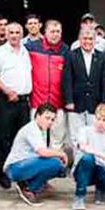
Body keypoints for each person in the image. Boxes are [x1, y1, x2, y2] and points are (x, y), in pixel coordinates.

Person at [0, 22, 32, 189]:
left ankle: (20, 173)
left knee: (21, 139)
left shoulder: (25, 51)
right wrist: (7, 91)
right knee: (2, 139)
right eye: (11, 32)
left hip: (22, 102)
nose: (14, 35)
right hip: (4, 101)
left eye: (17, 32)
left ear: (22, 34)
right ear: (5, 34)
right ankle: (2, 174)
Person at [5, 103, 69, 206]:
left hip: (24, 165)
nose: (49, 122)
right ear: (37, 115)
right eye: (47, 118)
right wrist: (61, 154)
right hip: (15, 168)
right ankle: (30, 190)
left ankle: (31, 183)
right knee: (56, 163)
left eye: (52, 120)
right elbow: (42, 152)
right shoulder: (32, 129)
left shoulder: (40, 129)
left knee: (59, 166)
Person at [63, 27, 105, 150]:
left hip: (95, 103)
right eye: (84, 38)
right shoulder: (71, 55)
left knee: (94, 135)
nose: (88, 41)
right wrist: (69, 101)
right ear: (79, 39)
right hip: (76, 102)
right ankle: (78, 164)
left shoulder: (101, 56)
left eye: (91, 39)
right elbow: (67, 79)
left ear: (95, 40)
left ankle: (94, 163)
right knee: (76, 136)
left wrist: (104, 103)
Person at [26, 20, 70, 150]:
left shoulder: (66, 50)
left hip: (59, 102)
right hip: (37, 101)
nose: (55, 35)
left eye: (58, 32)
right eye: (52, 31)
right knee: (38, 138)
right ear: (44, 32)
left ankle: (55, 167)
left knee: (58, 139)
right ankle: (39, 167)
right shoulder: (31, 47)